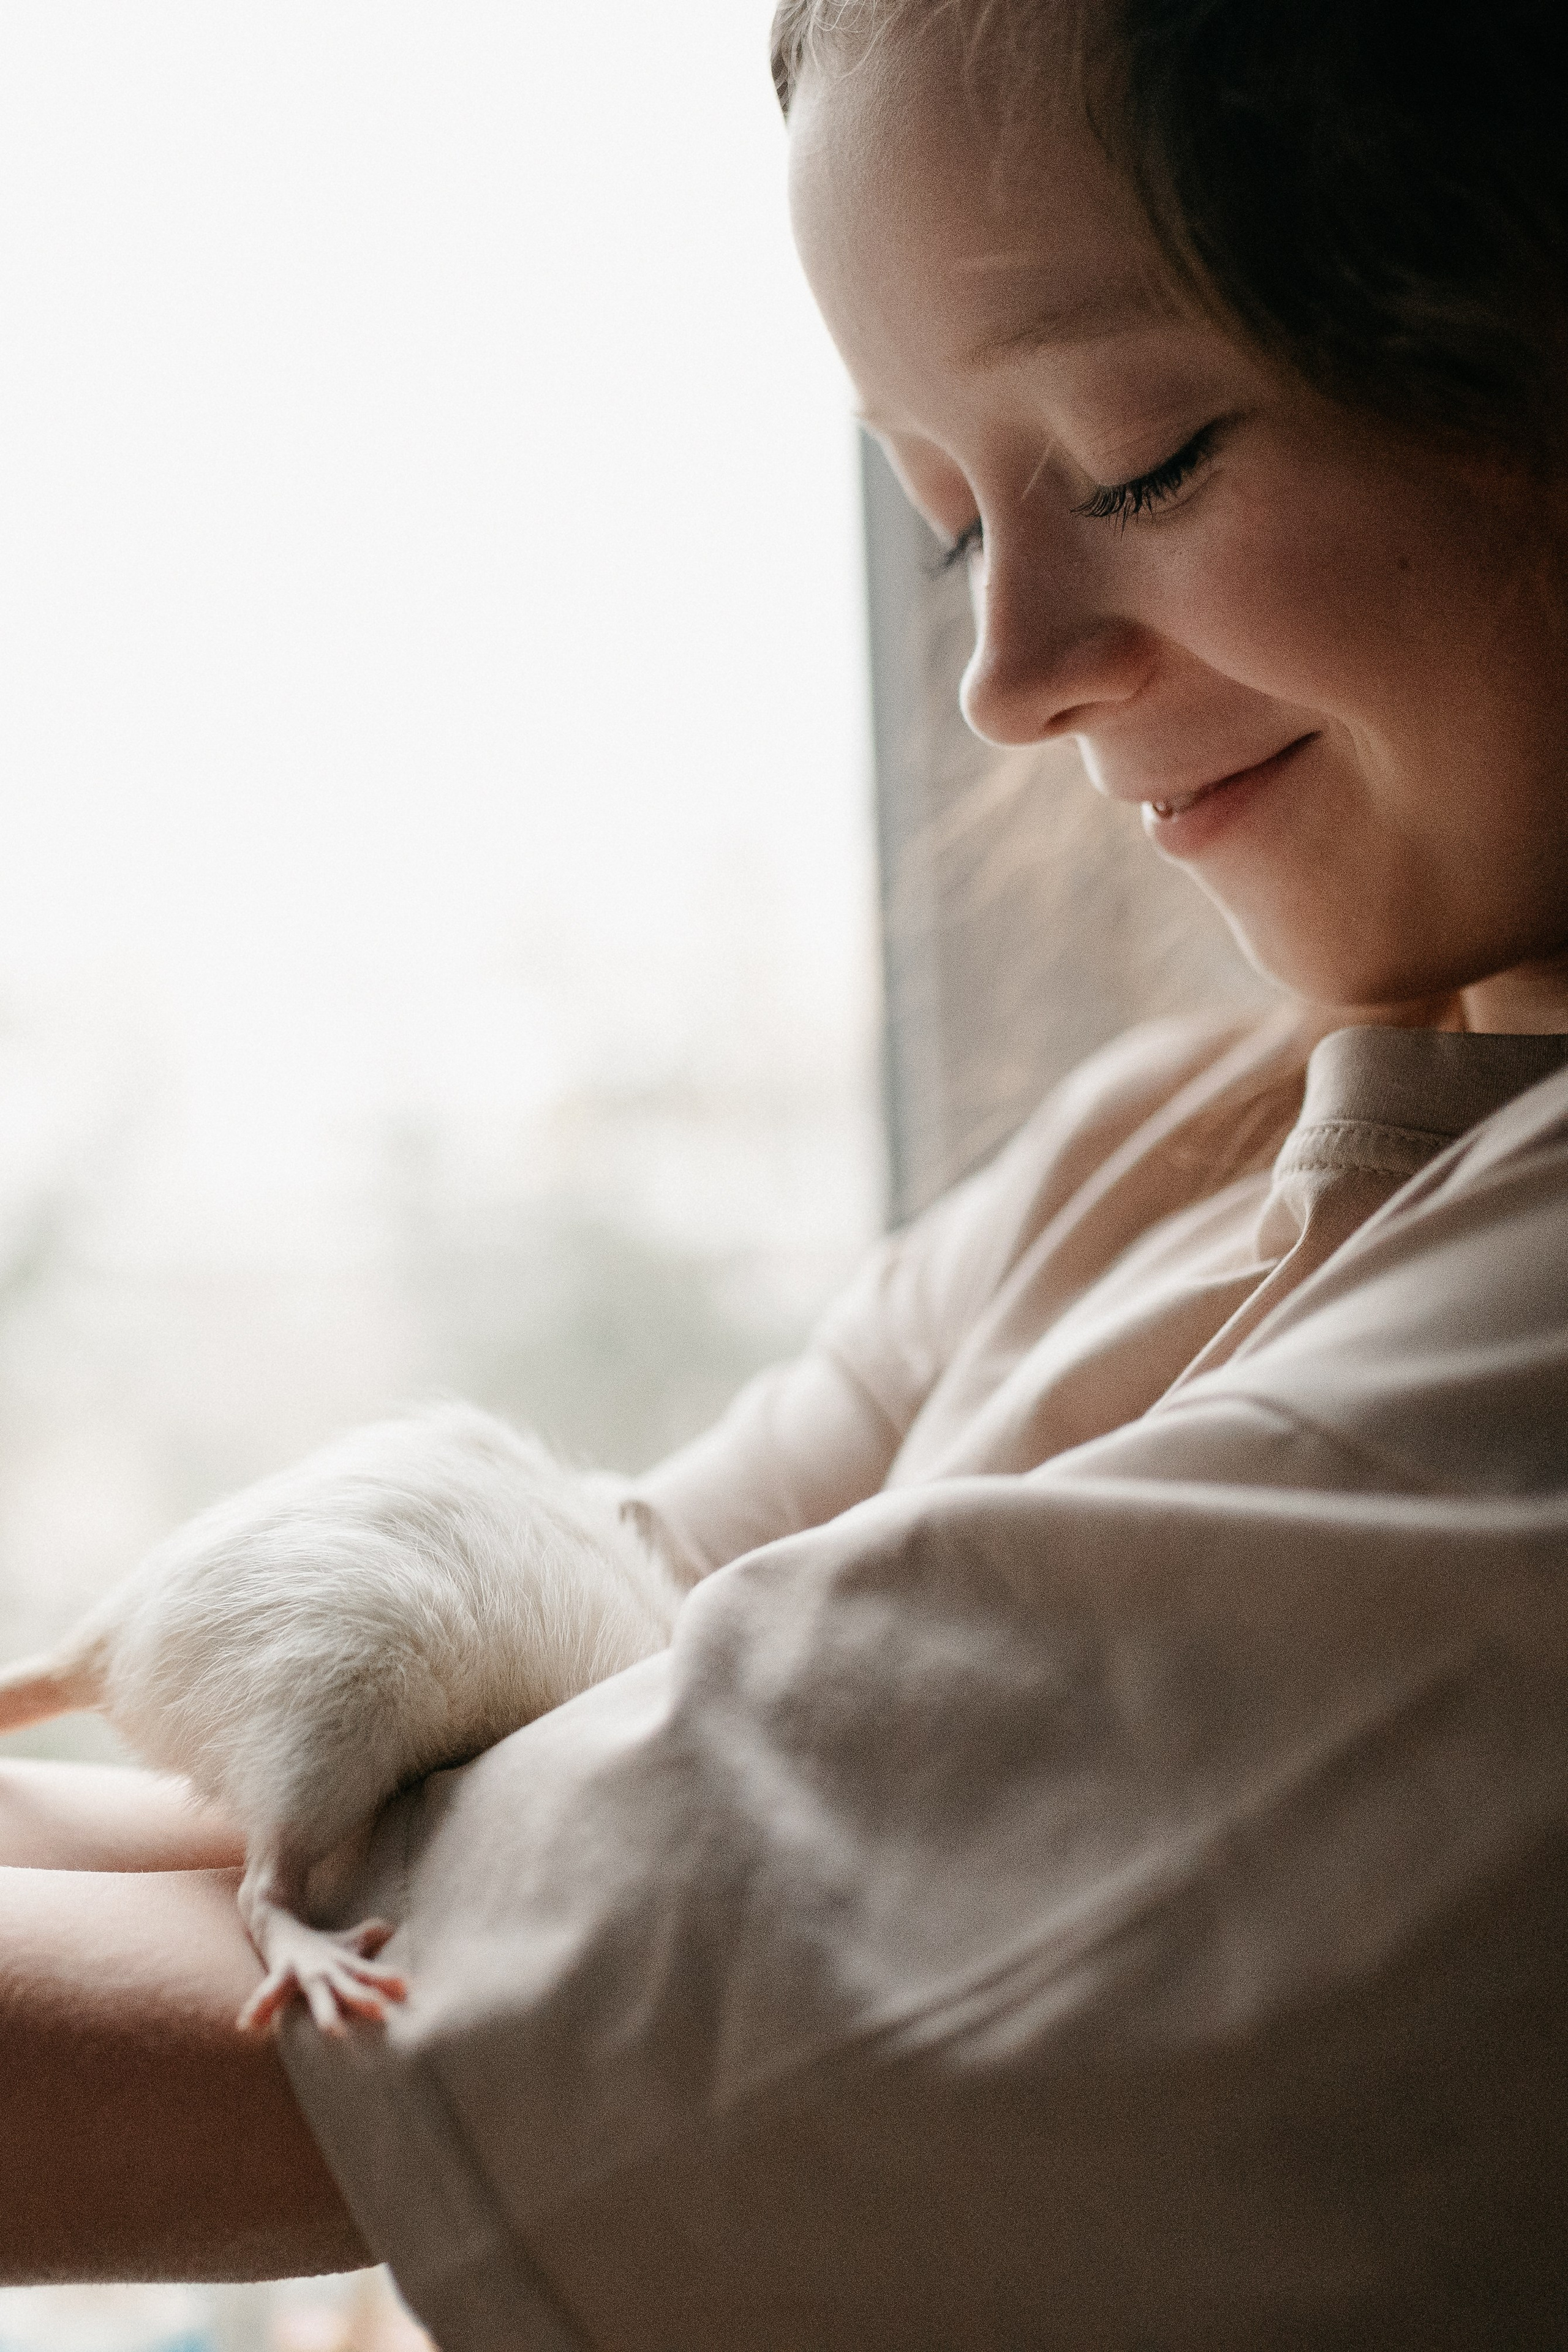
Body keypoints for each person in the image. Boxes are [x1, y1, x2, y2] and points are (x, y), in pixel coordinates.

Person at [5, 0, 1568, 2338]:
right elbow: (560, 1720)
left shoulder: (1509, 1420)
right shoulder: (1134, 1160)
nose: (1005, 673)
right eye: (948, 525)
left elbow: (401, 2035)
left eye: (1141, 463)